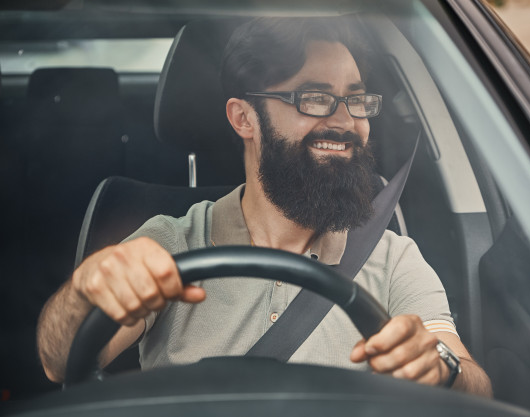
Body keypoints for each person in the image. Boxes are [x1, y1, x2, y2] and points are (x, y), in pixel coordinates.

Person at [37, 17, 492, 396]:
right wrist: (84, 292)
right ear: (244, 118)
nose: (345, 120)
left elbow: (475, 384)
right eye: (314, 98)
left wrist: (441, 367)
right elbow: (58, 362)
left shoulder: (392, 258)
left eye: (356, 99)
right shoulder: (170, 244)